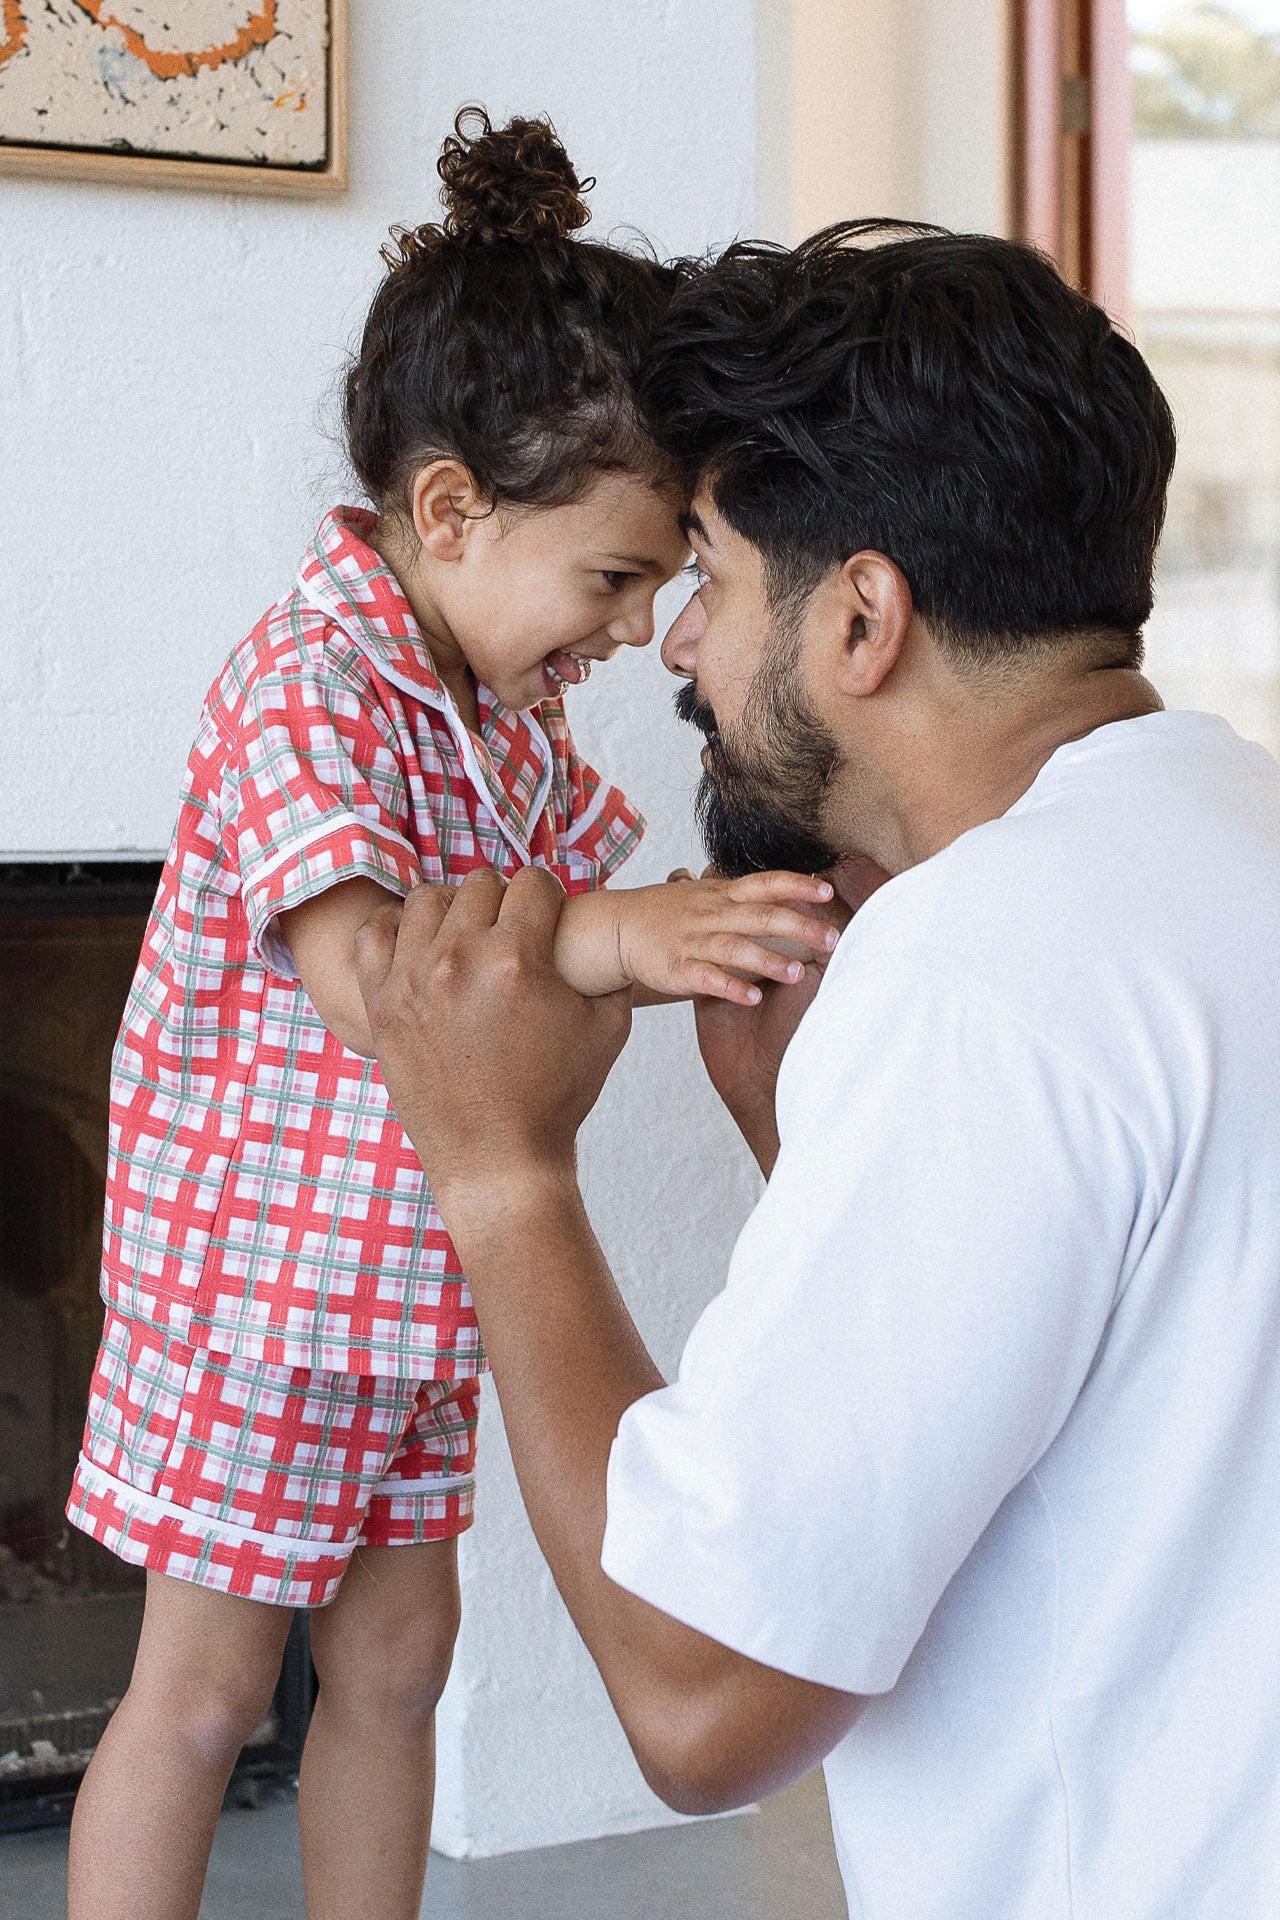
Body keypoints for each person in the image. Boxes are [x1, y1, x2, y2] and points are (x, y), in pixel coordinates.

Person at [354, 223, 1280, 1919]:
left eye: (705, 575)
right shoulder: (1229, 843)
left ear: (864, 616)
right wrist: (808, 1138)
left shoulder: (985, 966)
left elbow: (706, 1700)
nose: (676, 648)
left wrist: (498, 1164)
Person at [64, 113, 840, 1920]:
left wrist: (670, 938)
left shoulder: (499, 717)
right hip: (257, 1291)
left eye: (663, 584)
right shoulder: (305, 686)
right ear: (447, 513)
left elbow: (543, 944)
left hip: (401, 1289)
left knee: (402, 1662)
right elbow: (384, 977)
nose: (641, 627)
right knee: (200, 1698)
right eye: (617, 577)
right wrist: (634, 940)